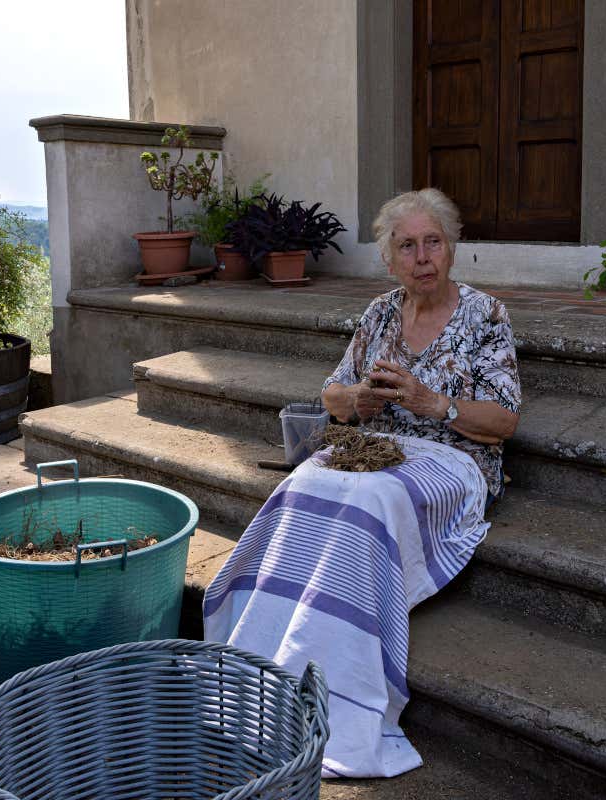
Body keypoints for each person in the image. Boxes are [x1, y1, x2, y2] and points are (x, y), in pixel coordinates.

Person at [203, 189, 521, 779]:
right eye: (408, 246)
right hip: (377, 447)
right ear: (389, 259)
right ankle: (260, 663)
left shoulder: (487, 316)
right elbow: (331, 395)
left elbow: (502, 423)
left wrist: (435, 404)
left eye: (434, 242)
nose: (423, 256)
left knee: (370, 500)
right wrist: (358, 399)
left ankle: (337, 684)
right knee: (302, 484)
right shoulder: (378, 315)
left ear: (452, 250)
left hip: (455, 460)